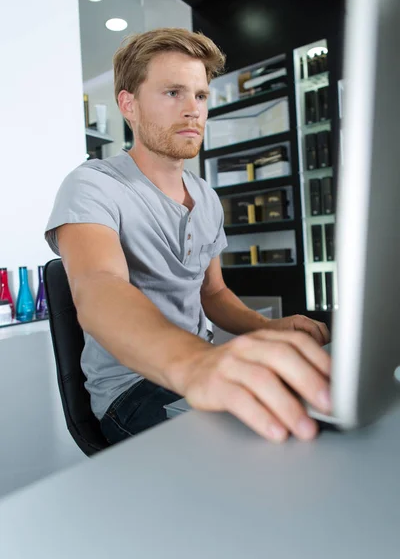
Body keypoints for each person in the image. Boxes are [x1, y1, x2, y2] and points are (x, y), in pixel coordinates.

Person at [45, 28, 331, 446]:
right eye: (173, 93)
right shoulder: (92, 185)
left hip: (198, 367)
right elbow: (98, 288)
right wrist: (196, 364)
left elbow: (213, 294)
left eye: (200, 96)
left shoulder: (206, 197)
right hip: (131, 389)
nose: (192, 110)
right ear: (129, 105)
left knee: (307, 422)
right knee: (258, 450)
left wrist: (270, 328)